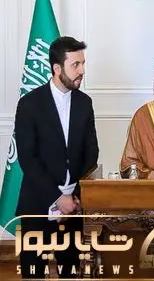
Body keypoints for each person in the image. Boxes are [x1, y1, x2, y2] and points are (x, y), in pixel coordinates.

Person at [14, 36, 99, 278]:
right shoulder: (29, 104)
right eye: (75, 65)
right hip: (37, 205)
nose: (82, 71)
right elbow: (28, 159)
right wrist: (57, 197)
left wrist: (73, 197)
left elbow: (91, 153)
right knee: (34, 273)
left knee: (70, 272)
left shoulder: (85, 103)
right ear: (57, 68)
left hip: (73, 207)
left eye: (83, 63)